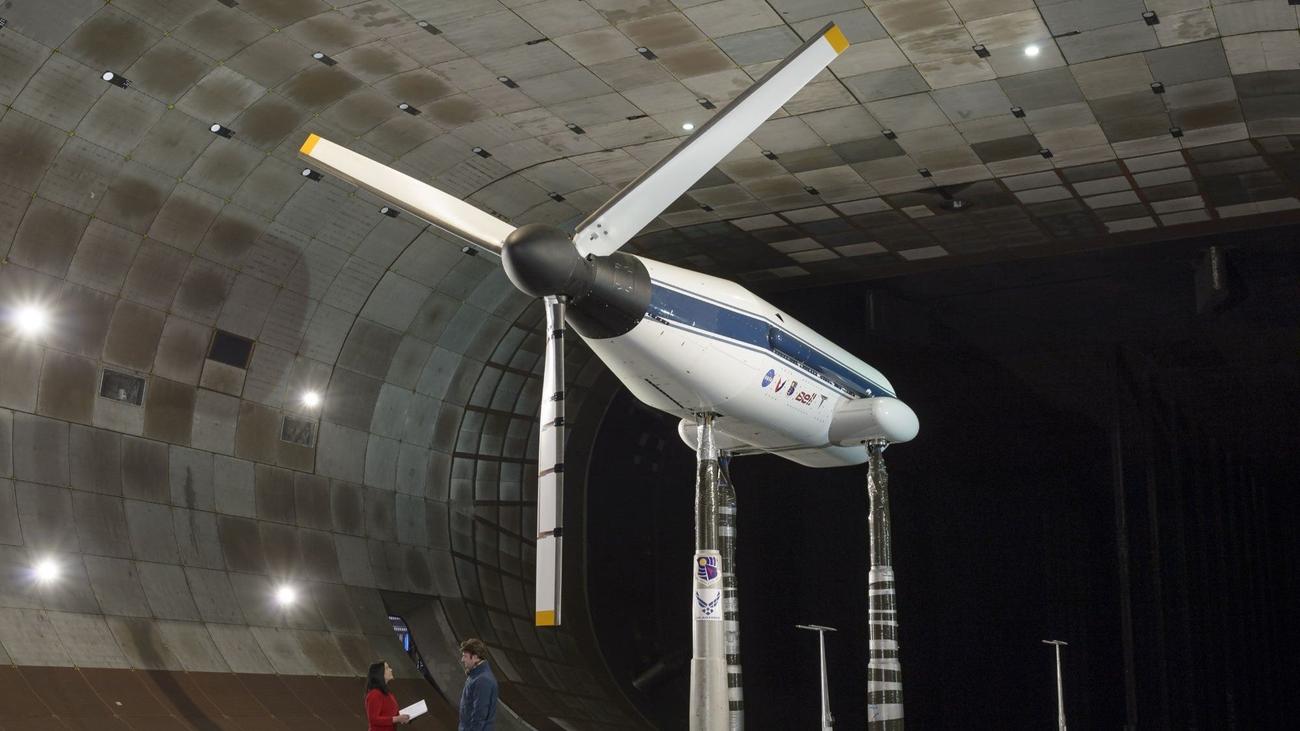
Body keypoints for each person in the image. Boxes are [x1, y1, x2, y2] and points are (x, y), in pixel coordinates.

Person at [458, 638, 498, 731]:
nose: (462, 659)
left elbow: (479, 716)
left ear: (475, 657)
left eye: (465, 656)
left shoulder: (482, 680)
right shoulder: (476, 674)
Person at [365, 661, 411, 729]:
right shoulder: (374, 694)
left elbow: (392, 714)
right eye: (387, 668)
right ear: (379, 673)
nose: (391, 669)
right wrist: (397, 719)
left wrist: (405, 717)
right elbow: (373, 719)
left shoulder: (388, 693)